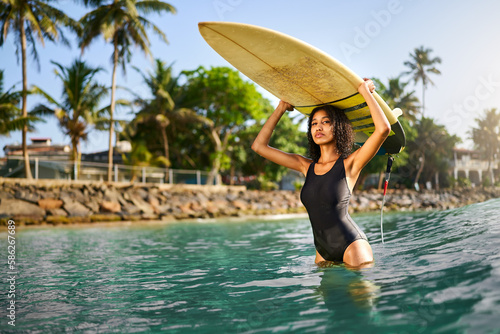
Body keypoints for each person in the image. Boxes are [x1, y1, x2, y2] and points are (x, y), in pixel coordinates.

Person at [251, 78, 391, 267]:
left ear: (338, 127)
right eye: (314, 123)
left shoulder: (350, 164)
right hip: (322, 251)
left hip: (352, 246)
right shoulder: (304, 166)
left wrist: (365, 91)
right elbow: (259, 146)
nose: (318, 126)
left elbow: (383, 129)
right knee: (330, 298)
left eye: (326, 122)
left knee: (362, 297)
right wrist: (281, 108)